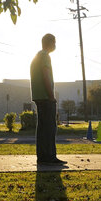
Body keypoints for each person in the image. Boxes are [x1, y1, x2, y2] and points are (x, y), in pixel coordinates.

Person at [30, 33, 65, 166]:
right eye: (54, 42)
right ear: (49, 43)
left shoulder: (38, 56)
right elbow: (45, 75)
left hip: (38, 96)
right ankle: (50, 156)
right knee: (50, 127)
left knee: (42, 128)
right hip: (45, 97)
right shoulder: (45, 56)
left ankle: (43, 156)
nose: (55, 45)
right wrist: (52, 96)